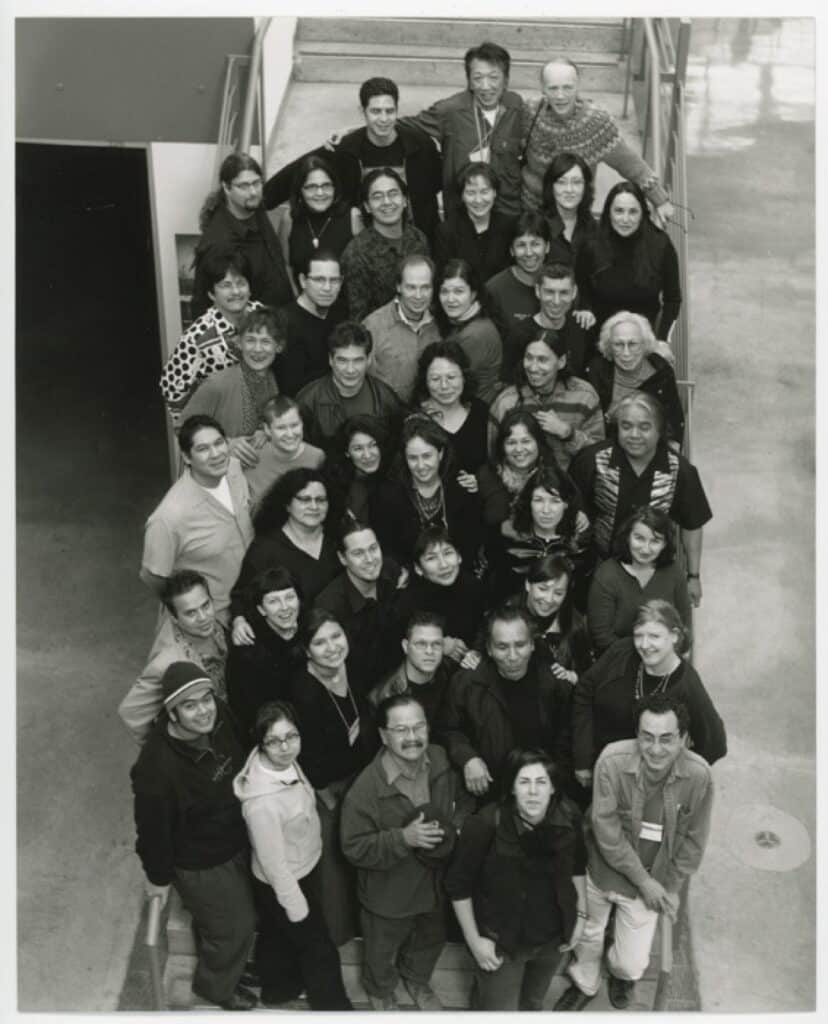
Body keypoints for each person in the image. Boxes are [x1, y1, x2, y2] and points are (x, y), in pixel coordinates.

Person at [554, 693, 713, 1011]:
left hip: (651, 885)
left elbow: (694, 842)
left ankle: (618, 971)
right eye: (647, 737)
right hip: (601, 872)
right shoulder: (611, 761)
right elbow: (607, 834)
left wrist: (670, 886)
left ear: (683, 739)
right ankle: (586, 980)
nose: (655, 749)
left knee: (631, 965)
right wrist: (646, 883)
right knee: (588, 935)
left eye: (667, 739)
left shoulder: (699, 776)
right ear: (636, 734)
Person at [130, 662, 258, 1010]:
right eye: (190, 705)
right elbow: (152, 833)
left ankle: (230, 968)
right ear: (172, 714)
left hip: (237, 837)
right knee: (233, 926)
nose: (204, 711)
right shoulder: (156, 769)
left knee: (234, 923)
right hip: (201, 862)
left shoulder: (221, 717)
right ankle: (216, 989)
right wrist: (158, 878)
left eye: (206, 699)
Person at [341, 694, 470, 1011]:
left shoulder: (440, 760)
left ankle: (415, 978)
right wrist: (403, 838)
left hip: (435, 887)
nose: (412, 738)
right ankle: (381, 991)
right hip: (388, 895)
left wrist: (457, 824)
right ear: (384, 736)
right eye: (401, 730)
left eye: (418, 727)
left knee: (430, 938)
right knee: (380, 951)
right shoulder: (366, 788)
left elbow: (465, 800)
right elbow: (353, 847)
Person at [445, 749, 587, 1011]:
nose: (533, 791)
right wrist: (475, 941)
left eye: (541, 782)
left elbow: (577, 868)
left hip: (551, 940)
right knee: (498, 1009)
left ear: (553, 788)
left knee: (532, 1004)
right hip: (503, 942)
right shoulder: (486, 824)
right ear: (511, 788)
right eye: (524, 782)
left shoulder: (569, 817)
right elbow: (458, 885)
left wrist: (580, 916)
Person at [233, 701, 353, 1009]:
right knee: (320, 950)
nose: (285, 747)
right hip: (284, 881)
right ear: (260, 743)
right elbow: (275, 867)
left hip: (302, 865)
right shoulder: (261, 805)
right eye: (274, 740)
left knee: (276, 933)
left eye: (292, 736)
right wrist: (297, 907)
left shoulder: (284, 764)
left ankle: (278, 990)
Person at [288, 609, 378, 946]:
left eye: (336, 636)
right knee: (333, 858)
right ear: (307, 650)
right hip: (324, 787)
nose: (331, 648)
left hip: (360, 773)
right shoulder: (303, 690)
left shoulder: (351, 668)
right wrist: (330, 798)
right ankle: (337, 935)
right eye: (319, 642)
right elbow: (307, 759)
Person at [569, 392, 712, 601]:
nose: (634, 435)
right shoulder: (592, 460)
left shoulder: (681, 471)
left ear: (659, 430)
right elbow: (571, 508)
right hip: (598, 571)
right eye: (626, 426)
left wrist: (694, 576)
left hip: (654, 577)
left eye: (644, 427)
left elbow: (692, 525)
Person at [266, 77, 442, 244]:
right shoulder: (345, 150)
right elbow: (301, 170)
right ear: (362, 111)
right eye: (375, 111)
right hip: (362, 245)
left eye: (389, 111)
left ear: (397, 110)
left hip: (418, 244)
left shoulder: (421, 146)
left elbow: (444, 178)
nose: (383, 119)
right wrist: (261, 200)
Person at [572, 600, 727, 789]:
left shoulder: (687, 684)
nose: (644, 645)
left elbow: (715, 744)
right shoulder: (622, 651)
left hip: (642, 786)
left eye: (654, 636)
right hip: (595, 769)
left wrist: (672, 779)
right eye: (638, 635)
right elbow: (584, 692)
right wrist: (582, 757)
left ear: (675, 636)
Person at [438, 605, 573, 800]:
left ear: (532, 645)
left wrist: (555, 779)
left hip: (542, 792)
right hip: (489, 793)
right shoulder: (467, 683)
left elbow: (567, 736)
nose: (512, 656)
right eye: (502, 647)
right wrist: (467, 758)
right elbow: (447, 728)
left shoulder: (554, 683)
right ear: (489, 649)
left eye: (520, 645)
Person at [520, 58, 673, 227]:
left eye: (567, 87)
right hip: (530, 214)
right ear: (542, 88)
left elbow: (631, 165)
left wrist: (660, 200)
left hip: (574, 218)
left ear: (578, 86)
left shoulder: (596, 124)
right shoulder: (529, 113)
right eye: (553, 88)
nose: (560, 95)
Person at [140, 416, 253, 626]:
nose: (216, 454)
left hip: (249, 608)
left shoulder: (235, 470)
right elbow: (153, 577)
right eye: (203, 449)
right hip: (212, 621)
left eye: (219, 443)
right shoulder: (169, 517)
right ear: (186, 457)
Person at [399, 42, 526, 217]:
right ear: (469, 81)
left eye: (494, 77)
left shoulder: (515, 105)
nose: (486, 86)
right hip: (463, 212)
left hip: (506, 210)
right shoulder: (450, 111)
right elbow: (406, 125)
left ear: (506, 80)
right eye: (478, 78)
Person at [119, 571, 228, 743]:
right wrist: (167, 748)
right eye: (191, 613)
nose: (203, 617)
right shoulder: (167, 661)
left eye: (205, 606)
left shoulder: (217, 622)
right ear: (174, 618)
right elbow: (131, 712)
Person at [230, 468, 341, 634]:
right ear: (287, 504)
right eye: (304, 499)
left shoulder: (337, 539)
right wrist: (239, 621)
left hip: (336, 636)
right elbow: (241, 597)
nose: (314, 506)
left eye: (321, 500)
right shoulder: (265, 549)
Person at [160, 249, 263, 425]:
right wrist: (203, 433)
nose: (236, 291)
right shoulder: (196, 338)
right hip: (222, 431)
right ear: (211, 294)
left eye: (241, 283)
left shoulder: (262, 314)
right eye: (226, 285)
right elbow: (172, 392)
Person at [372, 415, 483, 568]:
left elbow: (471, 542)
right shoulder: (389, 495)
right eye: (413, 458)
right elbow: (388, 548)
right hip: (412, 579)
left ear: (441, 453)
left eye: (427, 456)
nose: (421, 465)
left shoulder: (460, 488)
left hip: (457, 573)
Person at [179, 307, 284, 469]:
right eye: (250, 340)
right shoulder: (217, 384)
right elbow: (182, 428)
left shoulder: (275, 380)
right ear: (238, 342)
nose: (257, 349)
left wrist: (265, 430)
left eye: (266, 341)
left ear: (279, 347)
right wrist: (226, 443)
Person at [575, 180, 681, 340]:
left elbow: (673, 299)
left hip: (644, 340)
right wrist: (584, 308)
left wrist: (662, 340)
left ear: (643, 213)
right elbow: (581, 286)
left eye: (633, 212)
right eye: (619, 211)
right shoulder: (591, 244)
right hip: (600, 339)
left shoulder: (660, 245)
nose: (625, 219)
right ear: (608, 212)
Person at [191, 153, 292, 318]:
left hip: (279, 322)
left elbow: (286, 180)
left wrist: (333, 144)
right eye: (243, 186)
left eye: (256, 183)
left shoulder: (252, 206)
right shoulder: (219, 243)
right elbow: (205, 307)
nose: (252, 192)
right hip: (256, 336)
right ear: (226, 188)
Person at [489, 328, 604, 471]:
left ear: (561, 362)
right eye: (529, 358)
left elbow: (600, 456)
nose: (533, 367)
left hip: (572, 486)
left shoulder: (584, 396)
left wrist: (568, 434)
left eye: (542, 360)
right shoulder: (507, 402)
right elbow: (494, 458)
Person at [316, 517, 405, 695]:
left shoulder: (390, 571)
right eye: (358, 553)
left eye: (373, 548)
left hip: (400, 673)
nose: (370, 559)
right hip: (361, 691)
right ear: (342, 558)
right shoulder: (329, 607)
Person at [587, 507, 690, 655]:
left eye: (655, 541)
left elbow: (684, 629)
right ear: (627, 537)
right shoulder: (607, 574)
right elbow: (602, 638)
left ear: (665, 544)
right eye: (639, 538)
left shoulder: (674, 572)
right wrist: (647, 654)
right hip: (617, 663)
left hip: (664, 660)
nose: (646, 549)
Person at [488, 462, 589, 605]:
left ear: (566, 503)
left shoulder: (580, 544)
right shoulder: (507, 539)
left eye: (555, 501)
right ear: (528, 503)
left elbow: (580, 597)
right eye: (538, 500)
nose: (546, 510)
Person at [295, 320, 405, 452]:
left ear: (368, 360)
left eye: (358, 360)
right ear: (331, 360)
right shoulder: (308, 401)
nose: (350, 370)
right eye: (342, 360)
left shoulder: (385, 397)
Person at [340, 167, 430, 322]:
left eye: (393, 194)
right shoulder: (356, 253)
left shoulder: (418, 239)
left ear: (404, 200)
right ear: (367, 206)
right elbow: (358, 318)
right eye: (377, 197)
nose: (386, 202)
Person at [225, 567, 303, 740]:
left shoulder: (307, 627)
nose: (285, 608)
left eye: (290, 597)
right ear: (261, 609)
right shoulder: (248, 652)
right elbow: (250, 716)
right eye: (274, 601)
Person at [585, 310, 684, 446]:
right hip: (605, 448)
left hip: (649, 449)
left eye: (633, 344)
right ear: (609, 347)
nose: (626, 353)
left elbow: (674, 426)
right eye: (618, 344)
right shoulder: (596, 370)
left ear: (644, 345)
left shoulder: (661, 373)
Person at [392, 526, 487, 666]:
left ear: (459, 556)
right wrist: (439, 644)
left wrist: (476, 653)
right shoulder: (407, 604)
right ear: (418, 569)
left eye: (448, 553)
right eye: (431, 558)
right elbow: (398, 652)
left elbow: (484, 630)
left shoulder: (474, 587)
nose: (443, 565)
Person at [268, 155, 359, 297]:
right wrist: (296, 298)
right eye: (311, 187)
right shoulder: (290, 219)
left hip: (346, 307)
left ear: (335, 188)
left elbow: (363, 268)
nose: (320, 193)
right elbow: (286, 265)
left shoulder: (353, 217)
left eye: (326, 185)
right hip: (303, 306)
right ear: (300, 191)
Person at [362, 254, 441, 403]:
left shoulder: (440, 323)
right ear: (398, 286)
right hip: (386, 417)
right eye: (411, 287)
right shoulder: (373, 326)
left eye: (425, 287)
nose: (418, 296)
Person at [273, 251, 347, 395]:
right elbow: (290, 388)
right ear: (302, 281)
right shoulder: (284, 322)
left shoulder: (341, 312)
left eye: (334, 280)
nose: (327, 288)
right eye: (319, 280)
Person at [508, 261, 595, 381]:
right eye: (550, 292)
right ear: (538, 291)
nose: (556, 301)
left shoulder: (582, 327)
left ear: (574, 292)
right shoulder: (519, 334)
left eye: (564, 293)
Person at [413, 340, 491, 474]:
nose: (444, 386)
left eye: (451, 377)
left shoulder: (481, 411)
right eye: (435, 379)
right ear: (425, 381)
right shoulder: (414, 419)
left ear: (464, 377)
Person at [484, 212, 549, 367]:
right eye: (521, 245)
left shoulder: (558, 285)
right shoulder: (494, 289)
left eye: (535, 244)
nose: (528, 253)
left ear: (547, 247)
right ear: (511, 250)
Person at [435, 258, 503, 404]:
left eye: (459, 291)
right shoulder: (464, 320)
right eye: (444, 291)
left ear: (473, 294)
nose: (450, 299)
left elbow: (448, 385)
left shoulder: (474, 335)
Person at [434, 162, 516, 282]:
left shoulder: (510, 226)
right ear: (462, 196)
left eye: (484, 192)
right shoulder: (446, 232)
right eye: (471, 193)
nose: (478, 200)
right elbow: (443, 279)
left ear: (495, 192)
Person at [517, 553, 593, 682]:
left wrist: (574, 677)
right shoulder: (505, 616)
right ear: (528, 585)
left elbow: (589, 673)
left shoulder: (575, 624)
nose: (549, 599)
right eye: (543, 589)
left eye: (558, 593)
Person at [370, 611, 453, 728]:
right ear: (405, 647)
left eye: (436, 644)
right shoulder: (385, 696)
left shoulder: (450, 669)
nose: (429, 651)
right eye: (421, 644)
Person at [242, 395, 325, 511]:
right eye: (281, 428)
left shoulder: (317, 457)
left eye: (294, 425)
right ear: (267, 429)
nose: (290, 434)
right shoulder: (250, 453)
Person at [477, 409, 550, 538]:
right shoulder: (488, 475)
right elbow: (498, 522)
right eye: (511, 442)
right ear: (502, 446)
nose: (519, 449)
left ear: (538, 443)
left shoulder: (551, 471)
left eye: (526, 441)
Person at [324, 415, 392, 523]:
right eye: (358, 448)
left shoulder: (394, 477)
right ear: (347, 452)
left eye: (373, 445)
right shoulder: (338, 486)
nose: (368, 455)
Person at [540, 151, 598, 266]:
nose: (569, 190)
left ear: (586, 187)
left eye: (576, 182)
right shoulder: (536, 225)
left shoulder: (595, 229)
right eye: (561, 182)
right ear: (551, 186)